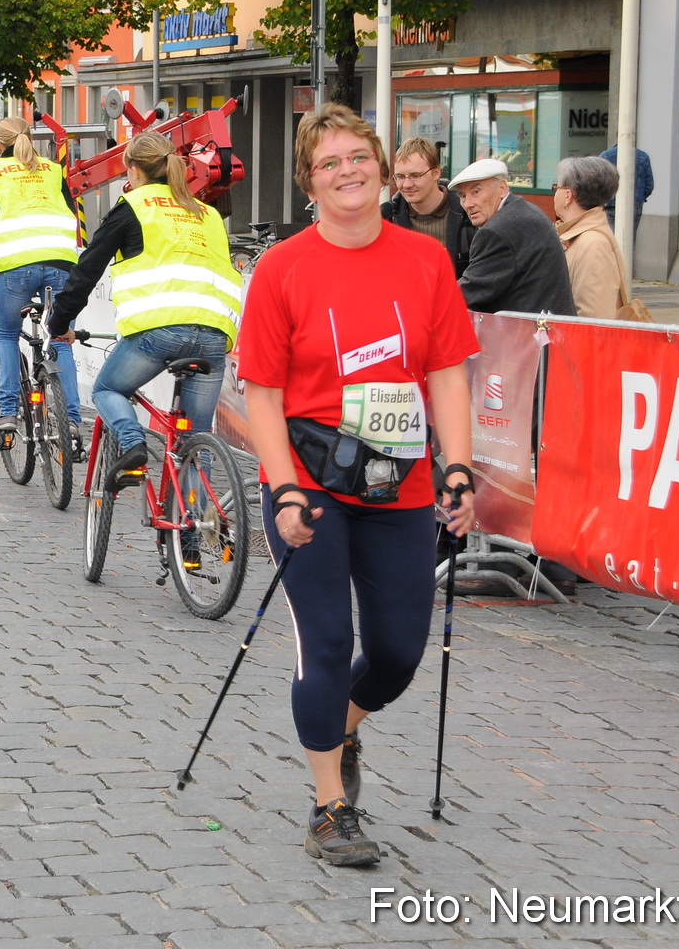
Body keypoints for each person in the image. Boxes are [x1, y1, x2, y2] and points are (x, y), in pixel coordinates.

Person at [237, 103, 478, 868]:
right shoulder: (282, 267)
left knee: (399, 651)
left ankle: (343, 727)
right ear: (309, 181)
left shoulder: (424, 259)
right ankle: (329, 804)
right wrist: (280, 489)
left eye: (358, 157)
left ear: (382, 167)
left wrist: (459, 466)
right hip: (310, 481)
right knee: (328, 643)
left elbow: (445, 374)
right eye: (329, 162)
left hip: (399, 482)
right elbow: (262, 396)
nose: (348, 172)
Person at [47, 131, 240, 506]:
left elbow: (88, 268)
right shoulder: (208, 214)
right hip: (216, 334)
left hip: (159, 331)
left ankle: (133, 443)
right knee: (195, 441)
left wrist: (60, 322)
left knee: (108, 389)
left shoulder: (134, 205)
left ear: (133, 171)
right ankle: (191, 545)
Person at [0, 117, 82, 437]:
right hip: (62, 265)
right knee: (62, 339)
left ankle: (8, 411)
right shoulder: (53, 170)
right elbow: (72, 214)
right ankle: (73, 420)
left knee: (8, 335)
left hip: (16, 269)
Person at [450, 158, 578, 316]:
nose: (468, 203)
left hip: (534, 335)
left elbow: (470, 291)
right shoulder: (524, 210)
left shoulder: (497, 230)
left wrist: (425, 299)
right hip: (549, 329)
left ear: (502, 188)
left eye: (476, 192)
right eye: (462, 196)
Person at [381, 137, 475, 275]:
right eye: (400, 176)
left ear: (436, 173)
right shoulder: (386, 217)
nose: (406, 184)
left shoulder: (469, 213)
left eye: (415, 175)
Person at [554, 156, 625, 320]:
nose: (555, 193)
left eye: (556, 187)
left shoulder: (593, 244)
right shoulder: (578, 236)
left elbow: (593, 316)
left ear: (568, 195)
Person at [599, 144, 653, 237]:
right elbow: (649, 186)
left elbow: (598, 181)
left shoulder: (605, 156)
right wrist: (639, 198)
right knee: (630, 239)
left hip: (609, 204)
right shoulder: (643, 157)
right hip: (634, 204)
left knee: (610, 238)